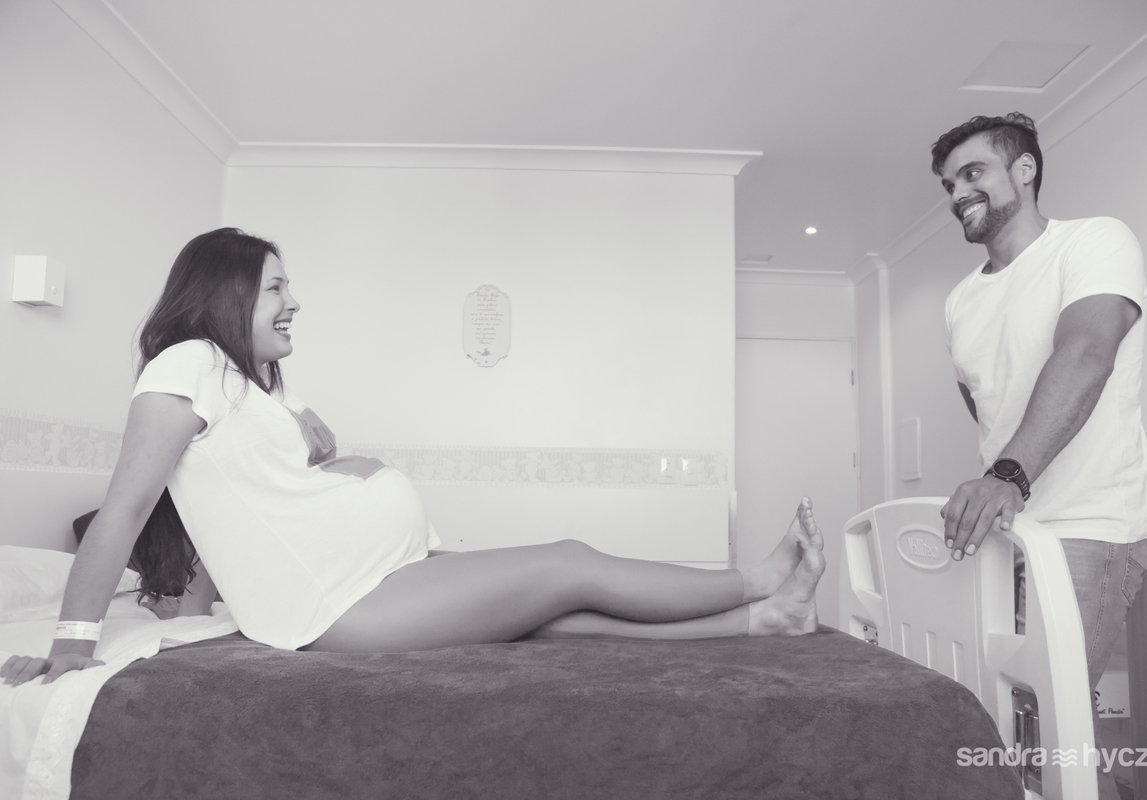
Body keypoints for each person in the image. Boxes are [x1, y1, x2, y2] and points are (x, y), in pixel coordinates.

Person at [2, 228, 825, 688]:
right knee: (569, 563)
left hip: (378, 576)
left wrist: (312, 440)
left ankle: (762, 621)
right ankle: (755, 582)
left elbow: (262, 493)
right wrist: (74, 642)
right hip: (342, 606)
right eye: (277, 287)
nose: (294, 302)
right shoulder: (185, 366)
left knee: (543, 615)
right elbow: (126, 511)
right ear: (227, 293)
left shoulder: (243, 382)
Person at [932, 113, 1147, 799]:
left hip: (1089, 525)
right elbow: (987, 402)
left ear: (1024, 169)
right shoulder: (961, 300)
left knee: (1050, 733)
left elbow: (1086, 352)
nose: (957, 193)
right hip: (1010, 535)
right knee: (1014, 724)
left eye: (973, 172)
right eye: (948, 184)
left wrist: (1008, 473)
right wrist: (1006, 477)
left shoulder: (1094, 241)